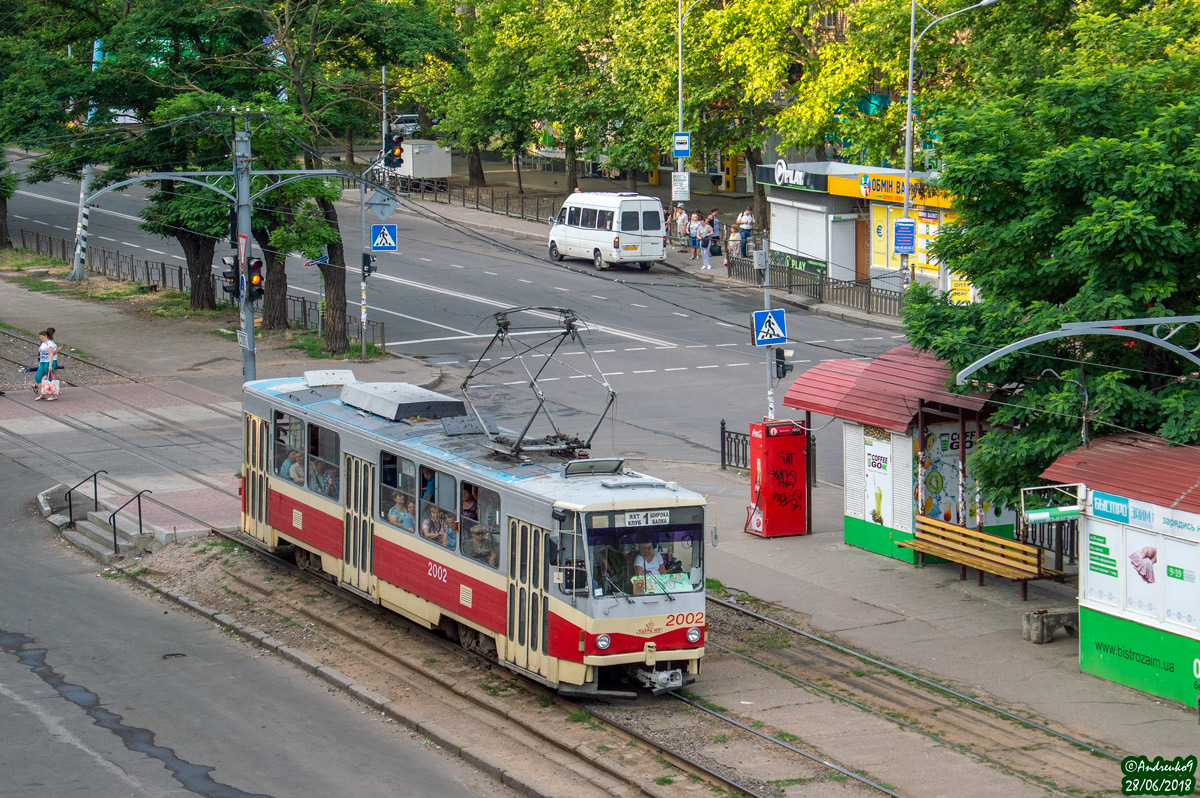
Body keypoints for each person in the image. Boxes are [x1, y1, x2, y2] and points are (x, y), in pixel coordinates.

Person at [33, 328, 60, 401]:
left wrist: (50, 365)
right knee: (38, 377)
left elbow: (51, 355)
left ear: (45, 336)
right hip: (43, 362)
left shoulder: (50, 344)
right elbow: (41, 354)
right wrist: (40, 363)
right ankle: (42, 394)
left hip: (48, 362)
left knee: (50, 378)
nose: (40, 338)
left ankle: (53, 395)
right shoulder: (43, 343)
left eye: (41, 336)